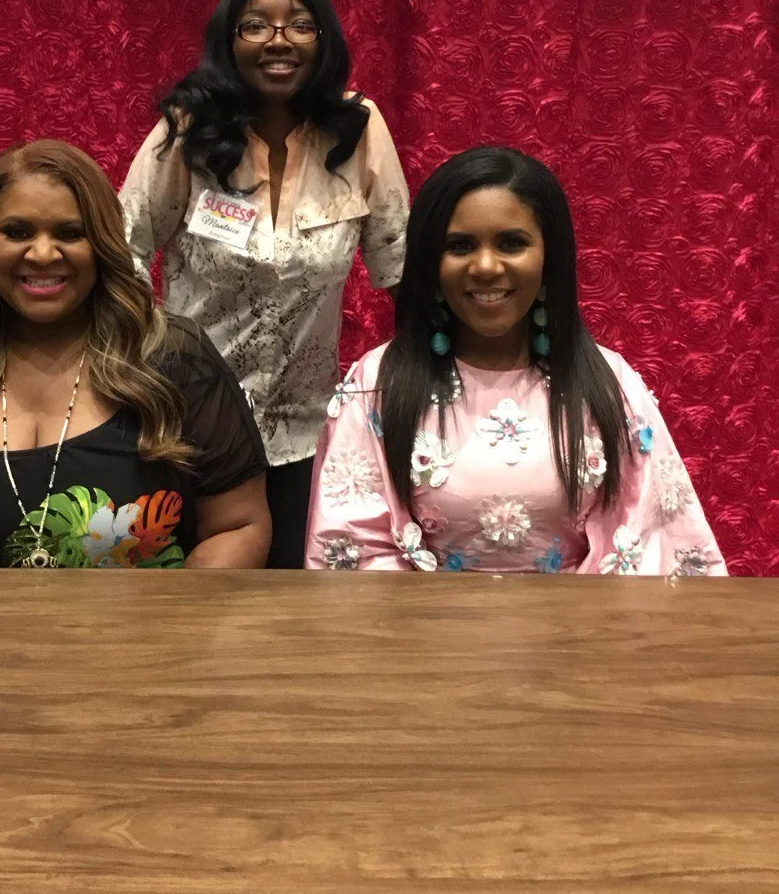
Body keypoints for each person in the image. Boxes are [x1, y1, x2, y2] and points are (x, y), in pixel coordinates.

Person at [305, 147, 726, 576]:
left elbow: (653, 548)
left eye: (512, 243)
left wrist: (564, 634)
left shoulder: (611, 385)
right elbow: (353, 553)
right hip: (419, 636)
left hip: (584, 635)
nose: (486, 267)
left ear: (549, 257)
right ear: (431, 261)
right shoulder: (376, 385)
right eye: (460, 245)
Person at [0, 141, 271, 569]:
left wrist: (174, 632)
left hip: (143, 635)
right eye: (17, 232)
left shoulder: (175, 359)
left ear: (104, 243)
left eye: (70, 233)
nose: (42, 253)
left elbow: (237, 527)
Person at [120, 0, 409, 568]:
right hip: (182, 430)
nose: (279, 41)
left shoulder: (357, 129)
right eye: (256, 26)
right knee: (178, 609)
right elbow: (122, 247)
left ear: (324, 41)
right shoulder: (188, 129)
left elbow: (400, 266)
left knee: (289, 617)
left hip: (306, 436)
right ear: (229, 42)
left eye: (300, 26)